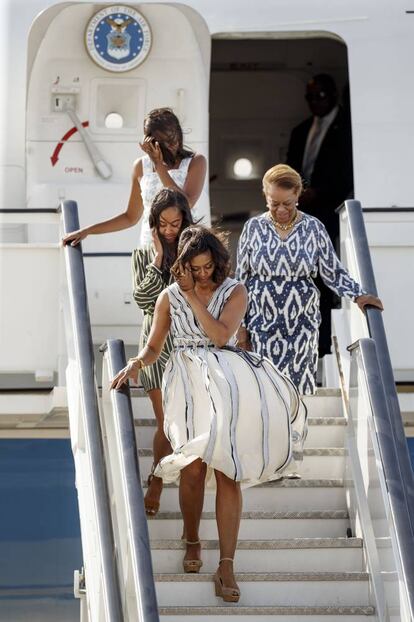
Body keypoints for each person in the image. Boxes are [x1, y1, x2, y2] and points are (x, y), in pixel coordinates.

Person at [111, 225, 305, 603]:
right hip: (185, 381)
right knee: (193, 467)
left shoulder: (234, 290)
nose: (201, 274)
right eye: (194, 268)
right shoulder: (168, 297)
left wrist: (193, 297)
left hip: (226, 378)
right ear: (182, 263)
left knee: (227, 469)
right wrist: (137, 362)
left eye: (207, 266)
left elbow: (219, 336)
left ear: (217, 259)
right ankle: (192, 538)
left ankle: (227, 564)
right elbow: (154, 347)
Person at [236, 164, 383, 396]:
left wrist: (358, 295)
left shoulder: (314, 228)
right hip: (261, 323)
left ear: (297, 194)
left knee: (298, 393)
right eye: (274, 203)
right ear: (266, 196)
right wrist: (240, 327)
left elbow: (332, 271)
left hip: (302, 323)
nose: (281, 209)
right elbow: (241, 280)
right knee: (265, 391)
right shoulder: (253, 228)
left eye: (288, 203)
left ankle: (296, 434)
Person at [131, 187, 194, 516]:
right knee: (166, 420)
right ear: (154, 224)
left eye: (176, 223)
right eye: (163, 224)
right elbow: (144, 302)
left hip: (189, 343)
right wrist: (158, 258)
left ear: (185, 221)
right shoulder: (143, 255)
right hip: (156, 343)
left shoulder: (196, 254)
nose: (170, 230)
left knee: (183, 421)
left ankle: (171, 475)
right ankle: (156, 481)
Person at [62, 108, 206, 247]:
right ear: (151, 142)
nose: (173, 143)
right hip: (149, 252)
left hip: (184, 251)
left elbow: (186, 204)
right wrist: (87, 231)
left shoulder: (195, 161)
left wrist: (158, 165)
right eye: (165, 140)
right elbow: (130, 217)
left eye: (175, 136)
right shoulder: (141, 166)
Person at [286, 74, 354, 355]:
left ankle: (324, 345)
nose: (316, 102)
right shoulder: (300, 130)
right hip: (300, 213)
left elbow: (348, 174)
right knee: (299, 279)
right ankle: (304, 344)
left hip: (329, 213)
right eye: (311, 97)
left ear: (335, 95)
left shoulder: (348, 129)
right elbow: (290, 168)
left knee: (324, 279)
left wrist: (321, 193)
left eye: (321, 96)